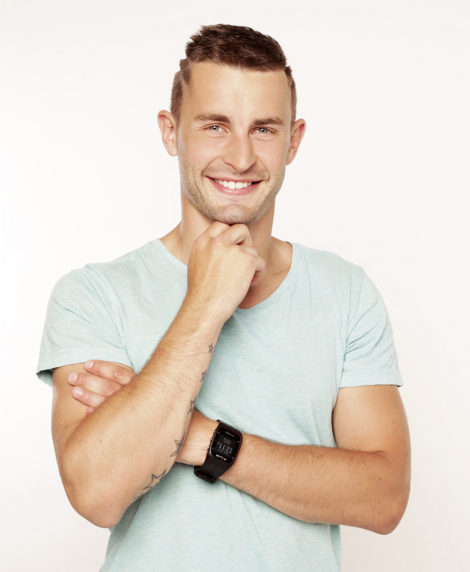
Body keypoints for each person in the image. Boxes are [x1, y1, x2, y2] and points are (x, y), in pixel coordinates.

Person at [36, 24, 410, 571]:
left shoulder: (346, 292)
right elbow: (96, 493)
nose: (240, 157)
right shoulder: (93, 296)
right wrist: (206, 302)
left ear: (294, 141)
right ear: (171, 132)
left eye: (264, 129)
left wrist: (198, 438)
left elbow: (384, 497)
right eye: (215, 126)